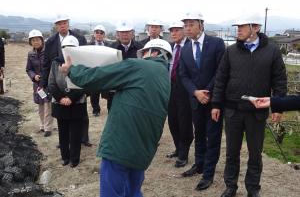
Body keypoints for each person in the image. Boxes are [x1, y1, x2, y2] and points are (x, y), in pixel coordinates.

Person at [60, 39, 172, 197]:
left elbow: (97, 77)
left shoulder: (138, 65)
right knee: (133, 191)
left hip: (120, 143)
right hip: (144, 146)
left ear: (154, 52)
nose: (142, 56)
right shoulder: (165, 78)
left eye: (144, 53)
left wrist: (72, 70)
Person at [211, 15, 287, 197]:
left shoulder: (272, 51)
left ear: (256, 28)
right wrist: (216, 104)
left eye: (242, 27)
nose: (238, 30)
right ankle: (230, 186)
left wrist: (278, 107)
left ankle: (253, 189)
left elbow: (279, 80)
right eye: (238, 27)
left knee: (255, 154)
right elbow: (221, 79)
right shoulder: (231, 52)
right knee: (231, 152)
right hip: (233, 111)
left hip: (257, 113)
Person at [179, 11, 225, 191]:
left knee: (212, 137)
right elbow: (183, 75)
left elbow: (221, 71)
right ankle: (199, 164)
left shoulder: (216, 43)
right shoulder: (184, 48)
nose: (187, 28)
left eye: (191, 24)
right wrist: (195, 92)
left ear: (201, 25)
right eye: (185, 25)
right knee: (199, 134)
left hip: (214, 100)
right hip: (196, 100)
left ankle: (208, 173)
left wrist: (207, 91)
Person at [41, 14, 91, 147]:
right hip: (58, 81)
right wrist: (43, 83)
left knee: (81, 113)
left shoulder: (79, 38)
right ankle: (64, 140)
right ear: (56, 26)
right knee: (62, 113)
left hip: (78, 81)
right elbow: (46, 63)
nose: (62, 25)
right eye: (59, 23)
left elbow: (86, 58)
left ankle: (83, 138)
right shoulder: (50, 42)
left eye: (64, 23)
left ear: (68, 24)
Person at [48, 35, 88, 168]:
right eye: (65, 47)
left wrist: (71, 98)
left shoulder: (82, 63)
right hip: (60, 103)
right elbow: (52, 83)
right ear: (62, 48)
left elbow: (84, 84)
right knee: (63, 132)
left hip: (77, 102)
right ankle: (65, 157)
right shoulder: (56, 62)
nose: (68, 50)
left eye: (72, 48)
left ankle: (74, 159)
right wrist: (61, 98)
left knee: (76, 133)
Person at [166, 21, 193, 168]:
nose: (174, 33)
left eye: (177, 30)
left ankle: (184, 153)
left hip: (185, 90)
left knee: (184, 123)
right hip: (171, 89)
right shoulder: (170, 48)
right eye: (172, 31)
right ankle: (178, 148)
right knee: (172, 121)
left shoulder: (189, 47)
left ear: (183, 31)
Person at [104, 21, 142, 111]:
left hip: (134, 89)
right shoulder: (110, 49)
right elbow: (106, 69)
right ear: (117, 34)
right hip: (115, 89)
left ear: (132, 33)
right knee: (114, 115)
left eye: (127, 32)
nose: (125, 35)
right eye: (122, 32)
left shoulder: (140, 48)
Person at [26, 29, 53, 137]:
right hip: (37, 85)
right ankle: (42, 126)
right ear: (30, 42)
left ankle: (48, 128)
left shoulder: (48, 52)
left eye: (37, 39)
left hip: (46, 83)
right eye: (33, 40)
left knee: (48, 106)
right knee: (40, 106)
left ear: (42, 40)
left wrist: (45, 78)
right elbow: (28, 69)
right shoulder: (30, 54)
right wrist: (34, 76)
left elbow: (52, 67)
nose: (36, 42)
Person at [89, 24, 111, 117]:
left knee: (108, 92)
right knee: (94, 92)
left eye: (101, 33)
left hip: (105, 71)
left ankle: (110, 109)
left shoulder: (109, 46)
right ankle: (96, 109)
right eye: (97, 32)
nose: (99, 34)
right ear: (94, 34)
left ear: (104, 35)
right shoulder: (88, 46)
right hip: (93, 71)